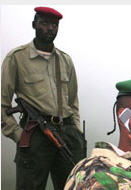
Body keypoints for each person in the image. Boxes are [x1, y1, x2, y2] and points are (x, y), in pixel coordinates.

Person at [1, 7, 86, 190]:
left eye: (54, 25)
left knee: (73, 186)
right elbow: (2, 104)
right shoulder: (17, 58)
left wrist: (76, 132)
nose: (50, 29)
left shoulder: (65, 60)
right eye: (44, 23)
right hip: (35, 135)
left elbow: (73, 102)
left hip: (67, 134)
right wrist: (19, 135)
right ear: (34, 25)